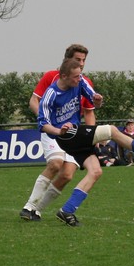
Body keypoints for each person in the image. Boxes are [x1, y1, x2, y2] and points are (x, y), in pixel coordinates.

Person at [39, 57, 134, 227]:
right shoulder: (50, 95)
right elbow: (43, 125)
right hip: (66, 136)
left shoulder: (80, 82)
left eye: (80, 75)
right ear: (63, 76)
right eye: (75, 77)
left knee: (95, 171)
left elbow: (94, 100)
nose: (79, 79)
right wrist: (59, 131)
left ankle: (67, 210)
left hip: (75, 134)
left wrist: (97, 100)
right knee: (112, 130)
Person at [19, 43, 101, 222]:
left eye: (84, 60)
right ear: (67, 60)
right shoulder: (51, 76)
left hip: (72, 134)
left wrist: (92, 136)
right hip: (53, 131)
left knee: (67, 175)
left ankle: (37, 210)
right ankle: (29, 206)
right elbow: (34, 101)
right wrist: (48, 122)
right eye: (78, 59)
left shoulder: (83, 82)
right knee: (56, 163)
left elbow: (89, 112)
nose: (81, 64)